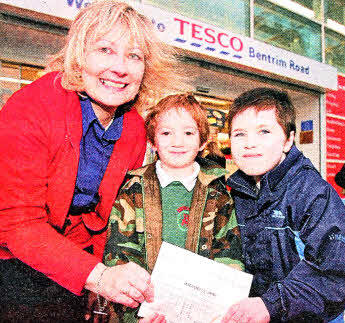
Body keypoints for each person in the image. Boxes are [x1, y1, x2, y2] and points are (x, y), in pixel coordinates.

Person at [0, 1, 179, 321]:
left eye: (134, 56)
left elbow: (112, 217)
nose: (120, 67)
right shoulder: (31, 106)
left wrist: (112, 281)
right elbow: (18, 223)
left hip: (78, 268)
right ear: (79, 56)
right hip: (13, 263)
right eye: (105, 49)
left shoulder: (134, 128)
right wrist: (99, 276)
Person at [103, 94, 244, 322]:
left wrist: (219, 305)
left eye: (188, 133)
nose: (177, 142)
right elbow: (119, 253)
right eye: (166, 133)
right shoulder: (133, 188)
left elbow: (229, 253)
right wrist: (143, 311)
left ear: (202, 142)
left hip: (199, 313)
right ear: (152, 141)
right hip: (143, 311)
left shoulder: (218, 193)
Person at [222, 88, 345, 322]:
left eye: (264, 131)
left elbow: (335, 274)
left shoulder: (312, 194)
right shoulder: (237, 193)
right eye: (239, 134)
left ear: (288, 140)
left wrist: (270, 305)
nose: (250, 143)